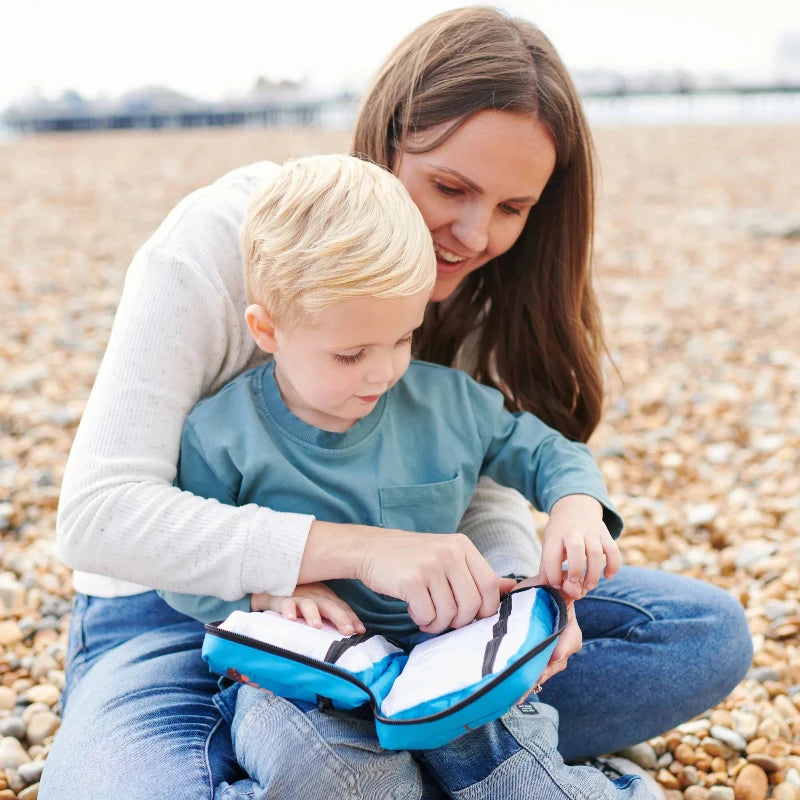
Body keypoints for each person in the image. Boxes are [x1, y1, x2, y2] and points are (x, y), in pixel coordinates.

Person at [40, 6, 752, 800]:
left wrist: (511, 606)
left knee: (698, 636)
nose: (473, 235)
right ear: (382, 139)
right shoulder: (220, 240)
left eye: (514, 208)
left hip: (411, 624)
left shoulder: (477, 280)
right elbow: (98, 516)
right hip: (180, 620)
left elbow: (473, 470)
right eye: (450, 186)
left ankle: (404, 748)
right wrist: (358, 549)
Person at [160, 151, 658, 800]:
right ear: (267, 329)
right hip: (296, 681)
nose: (383, 372)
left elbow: (547, 452)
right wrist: (267, 595)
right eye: (350, 353)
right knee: (335, 781)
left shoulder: (445, 402)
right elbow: (186, 569)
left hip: (448, 655)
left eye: (403, 338)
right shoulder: (221, 432)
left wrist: (575, 506)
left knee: (525, 779)